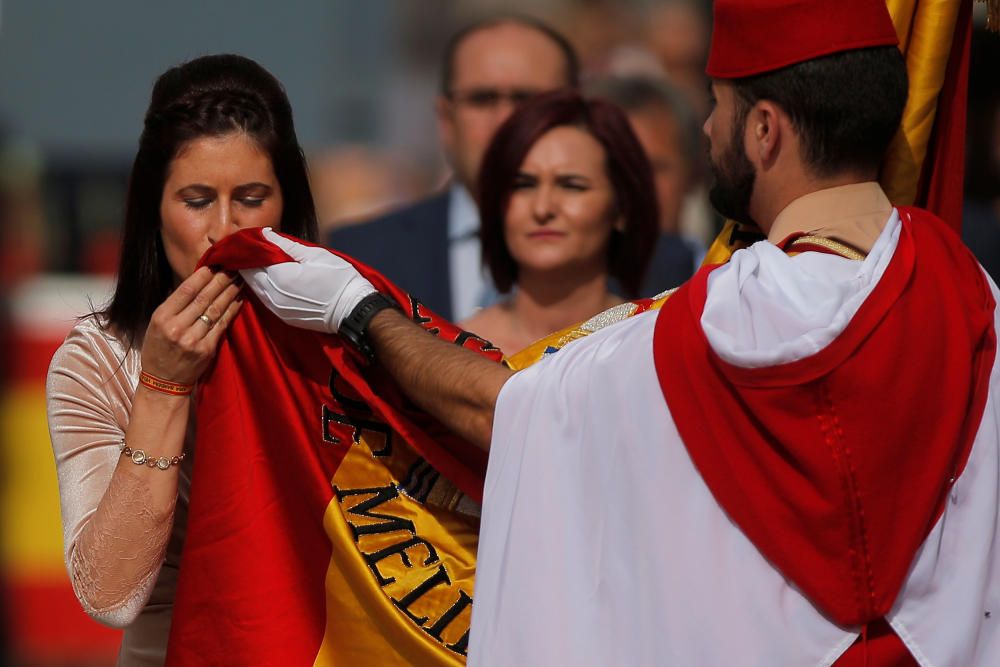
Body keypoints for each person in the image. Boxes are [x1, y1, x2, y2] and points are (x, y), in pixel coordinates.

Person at [242, 0, 1000, 664]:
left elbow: (499, 409)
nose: (705, 125)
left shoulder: (713, 327)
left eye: (719, 104)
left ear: (765, 131)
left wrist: (355, 309)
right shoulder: (980, 302)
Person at [45, 54, 318, 665]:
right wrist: (164, 386)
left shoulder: (339, 335)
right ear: (153, 210)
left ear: (288, 208)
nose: (224, 231)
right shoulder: (97, 360)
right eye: (196, 200)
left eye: (251, 198)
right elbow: (109, 595)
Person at [327, 15, 580, 321]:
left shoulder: (644, 265)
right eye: (482, 99)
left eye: (528, 100)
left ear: (576, 116)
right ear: (446, 121)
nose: (505, 121)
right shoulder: (358, 259)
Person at [459, 89, 658, 353]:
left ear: (621, 207)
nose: (542, 209)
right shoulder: (454, 353)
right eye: (523, 185)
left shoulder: (650, 346)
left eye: (571, 186)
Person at [588, 74, 704, 293]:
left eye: (652, 169)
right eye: (614, 169)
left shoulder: (731, 294)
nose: (634, 186)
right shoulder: (532, 300)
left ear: (693, 174)